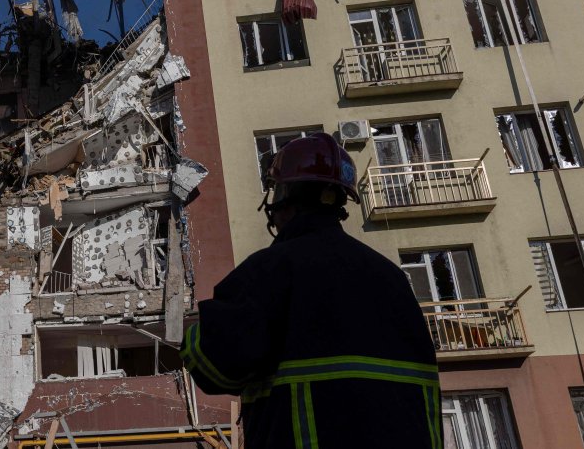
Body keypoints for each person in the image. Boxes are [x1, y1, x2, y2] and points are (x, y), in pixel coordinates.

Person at [180, 132, 440, 449]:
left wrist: (190, 332)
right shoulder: (392, 278)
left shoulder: (272, 270)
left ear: (285, 196)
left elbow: (215, 367)